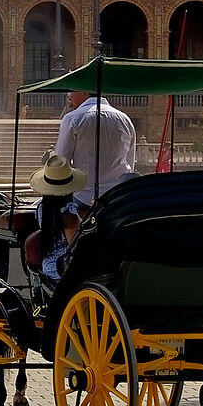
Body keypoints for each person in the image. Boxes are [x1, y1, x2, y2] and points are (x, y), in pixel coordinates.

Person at [52, 87, 136, 220]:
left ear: (84, 91)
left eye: (71, 91)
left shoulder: (73, 118)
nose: (69, 97)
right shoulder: (125, 119)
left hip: (84, 196)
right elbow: (130, 163)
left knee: (43, 209)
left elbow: (61, 163)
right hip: (117, 195)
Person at [31, 154, 84, 292]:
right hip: (65, 266)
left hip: (50, 264)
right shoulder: (69, 214)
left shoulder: (43, 208)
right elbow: (76, 244)